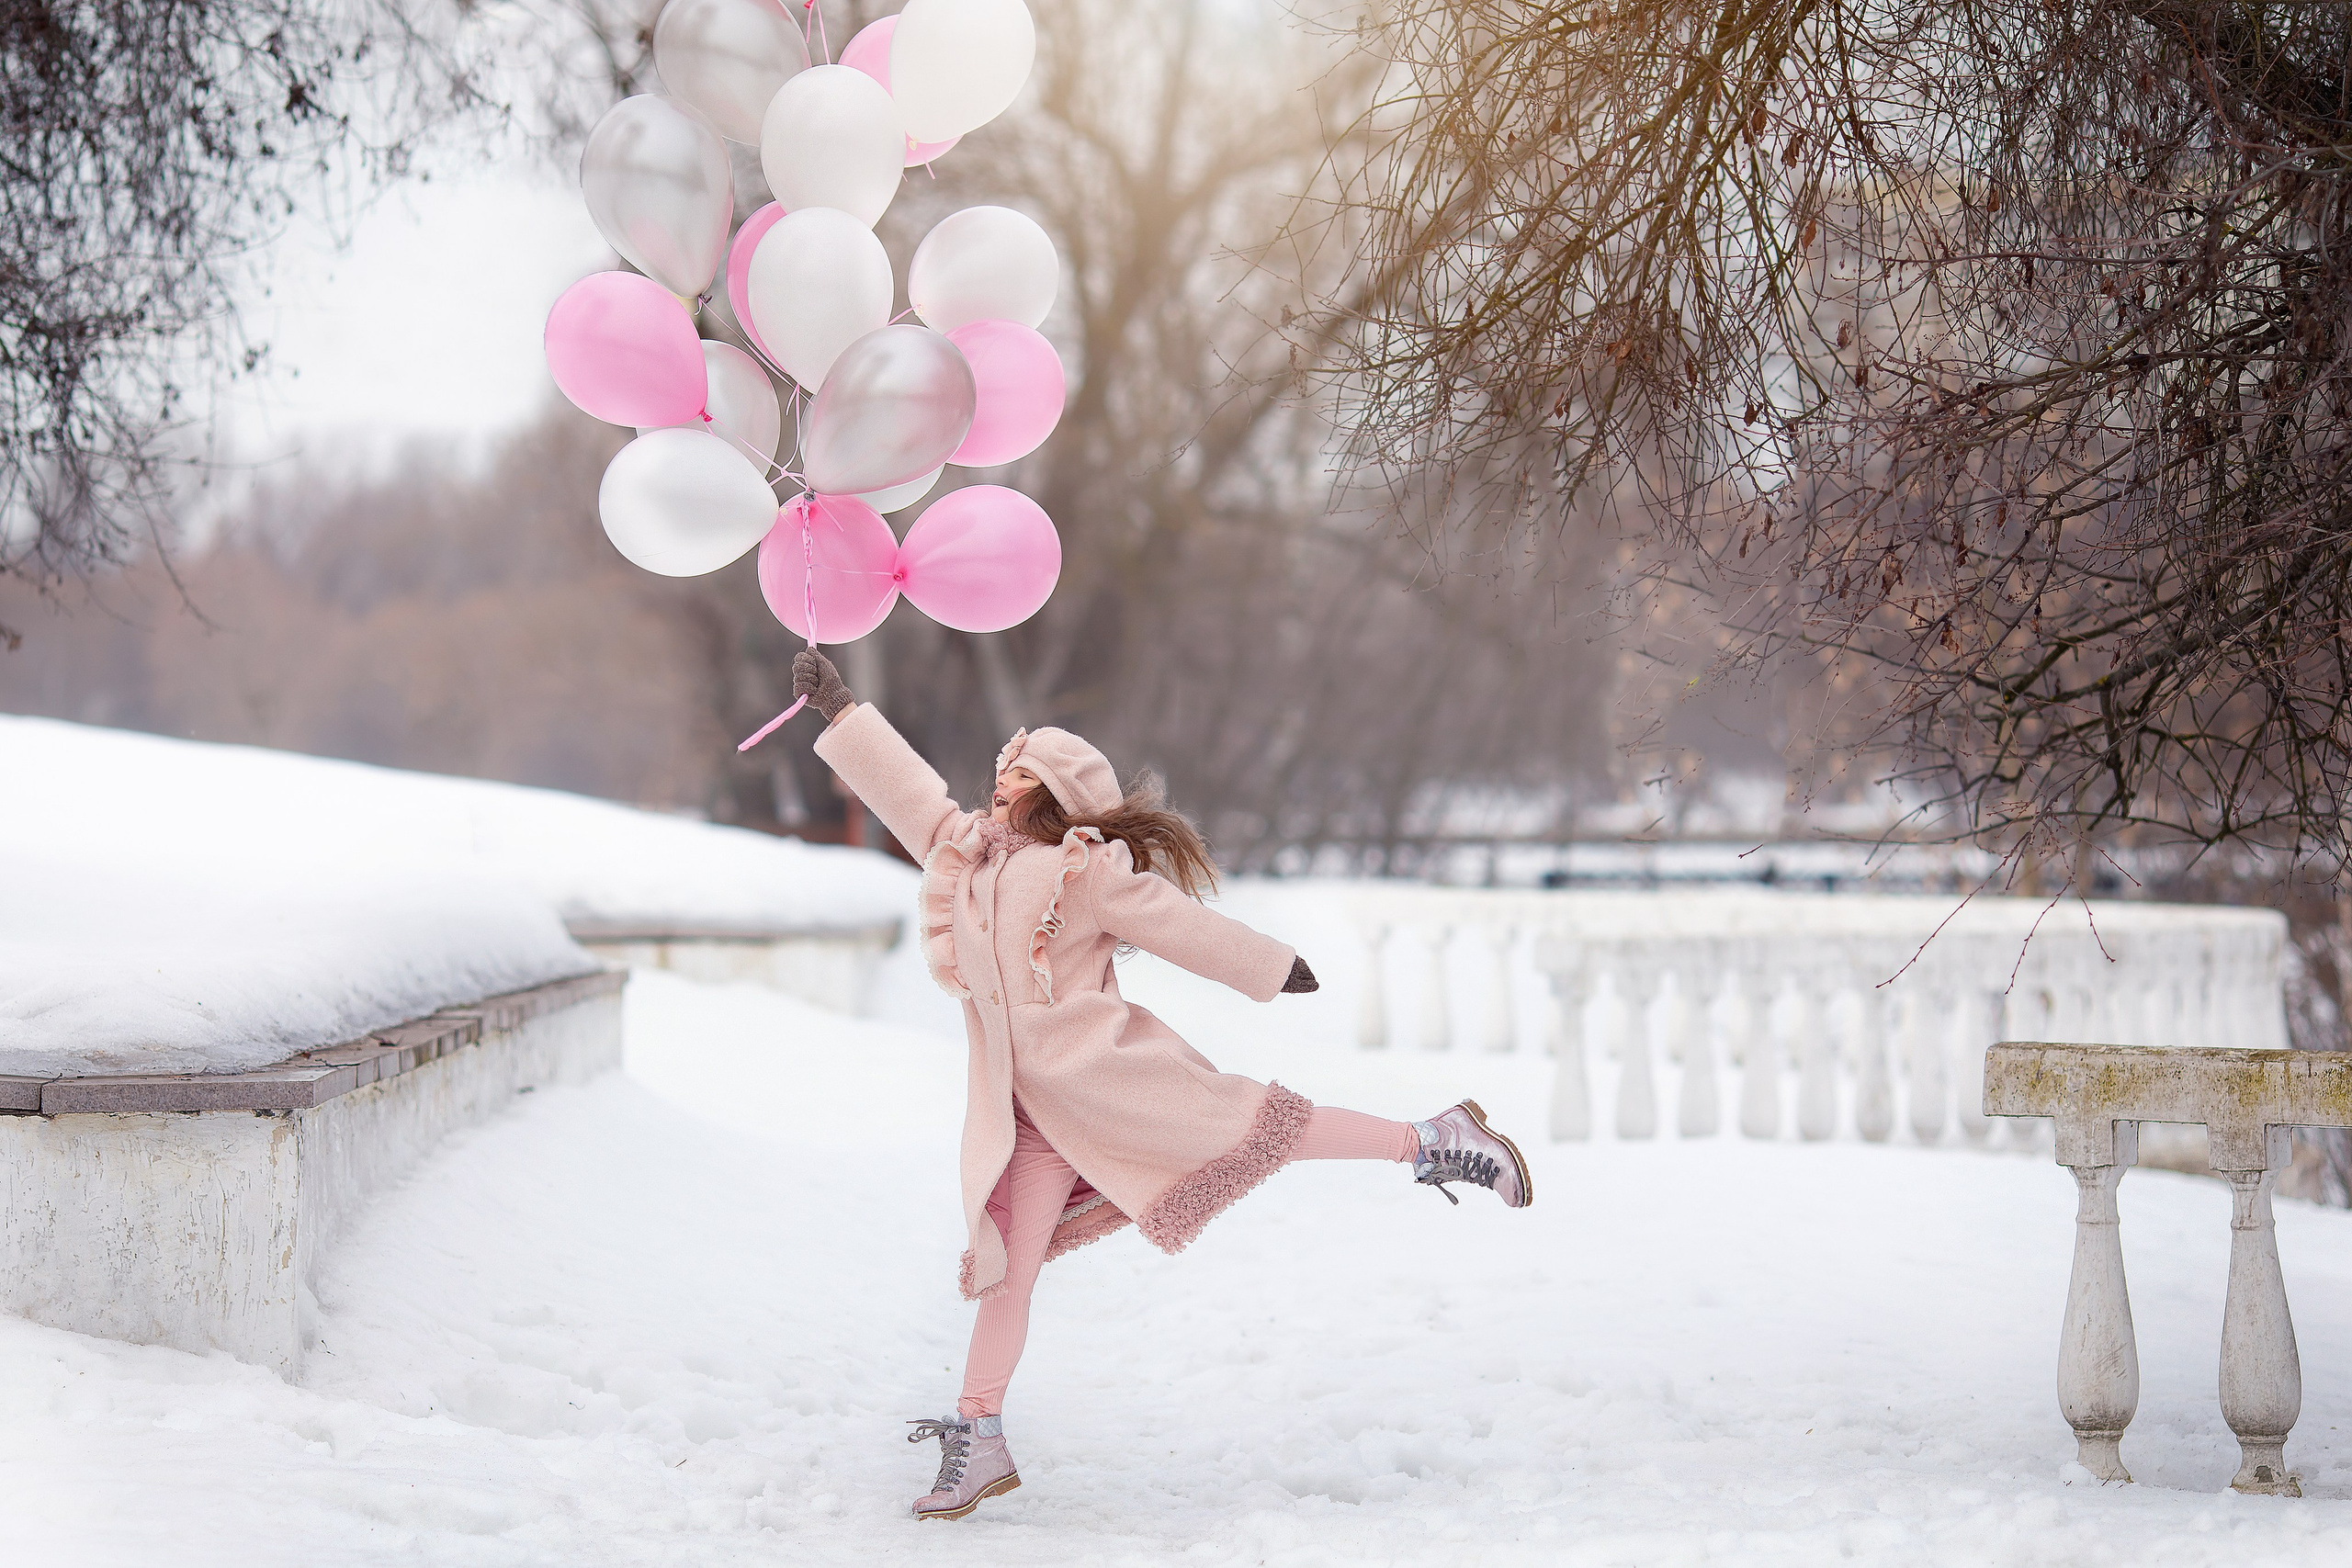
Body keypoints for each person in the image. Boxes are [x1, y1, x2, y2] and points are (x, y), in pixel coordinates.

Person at [789, 650, 1533, 1522]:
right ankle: (979, 1432)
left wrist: (1268, 964)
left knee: (1270, 1123)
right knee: (1006, 1274)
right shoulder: (968, 857)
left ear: (1052, 793)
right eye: (1000, 772)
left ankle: (1433, 1139)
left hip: (1116, 1080)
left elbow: (1175, 923)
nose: (997, 785)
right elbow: (909, 794)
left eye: (1015, 775)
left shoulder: (1084, 868)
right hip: (1025, 1117)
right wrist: (841, 713)